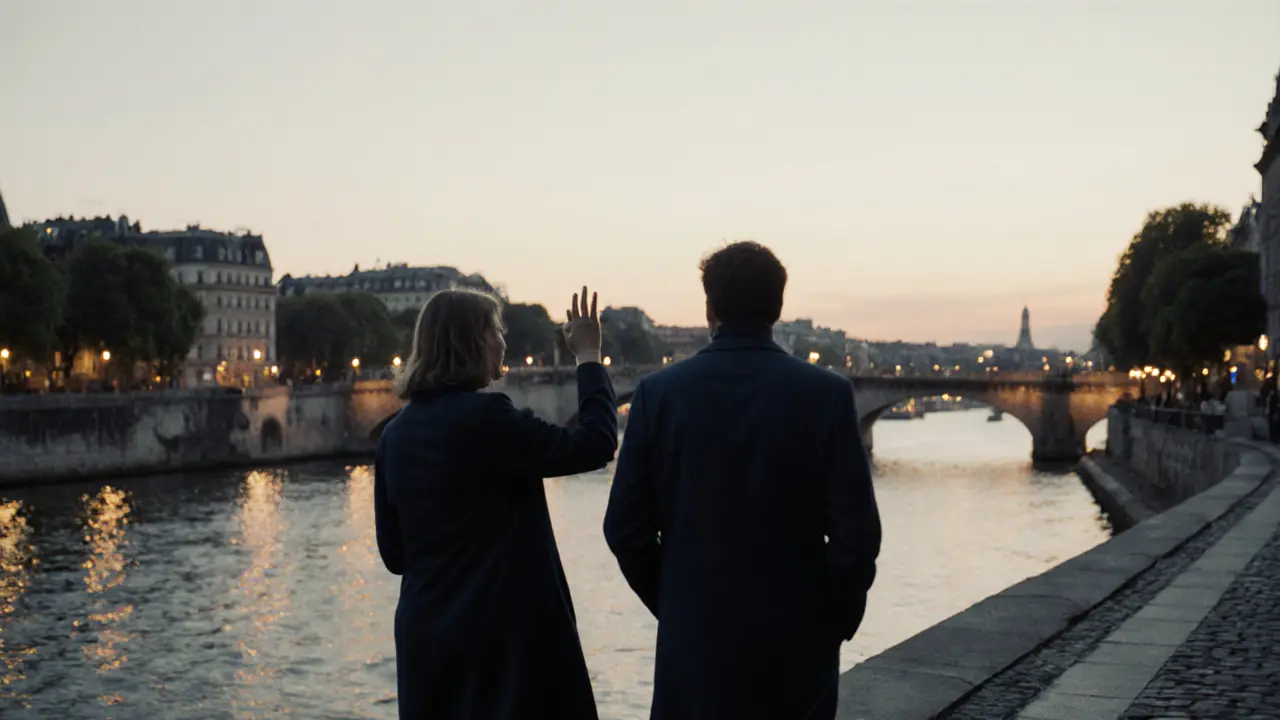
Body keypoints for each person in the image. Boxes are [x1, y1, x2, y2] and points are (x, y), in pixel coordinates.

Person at [603, 242, 882, 720]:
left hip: (694, 640)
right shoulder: (828, 395)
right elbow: (857, 536)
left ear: (709, 307)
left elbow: (624, 530)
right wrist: (833, 617)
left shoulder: (658, 395)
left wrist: (674, 602)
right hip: (797, 638)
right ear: (777, 307)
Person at [375, 286, 618, 720]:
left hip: (427, 638)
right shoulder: (487, 419)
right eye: (497, 329)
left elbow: (395, 556)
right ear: (473, 343)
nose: (504, 340)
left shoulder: (394, 435)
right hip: (502, 640)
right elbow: (595, 443)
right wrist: (588, 356)